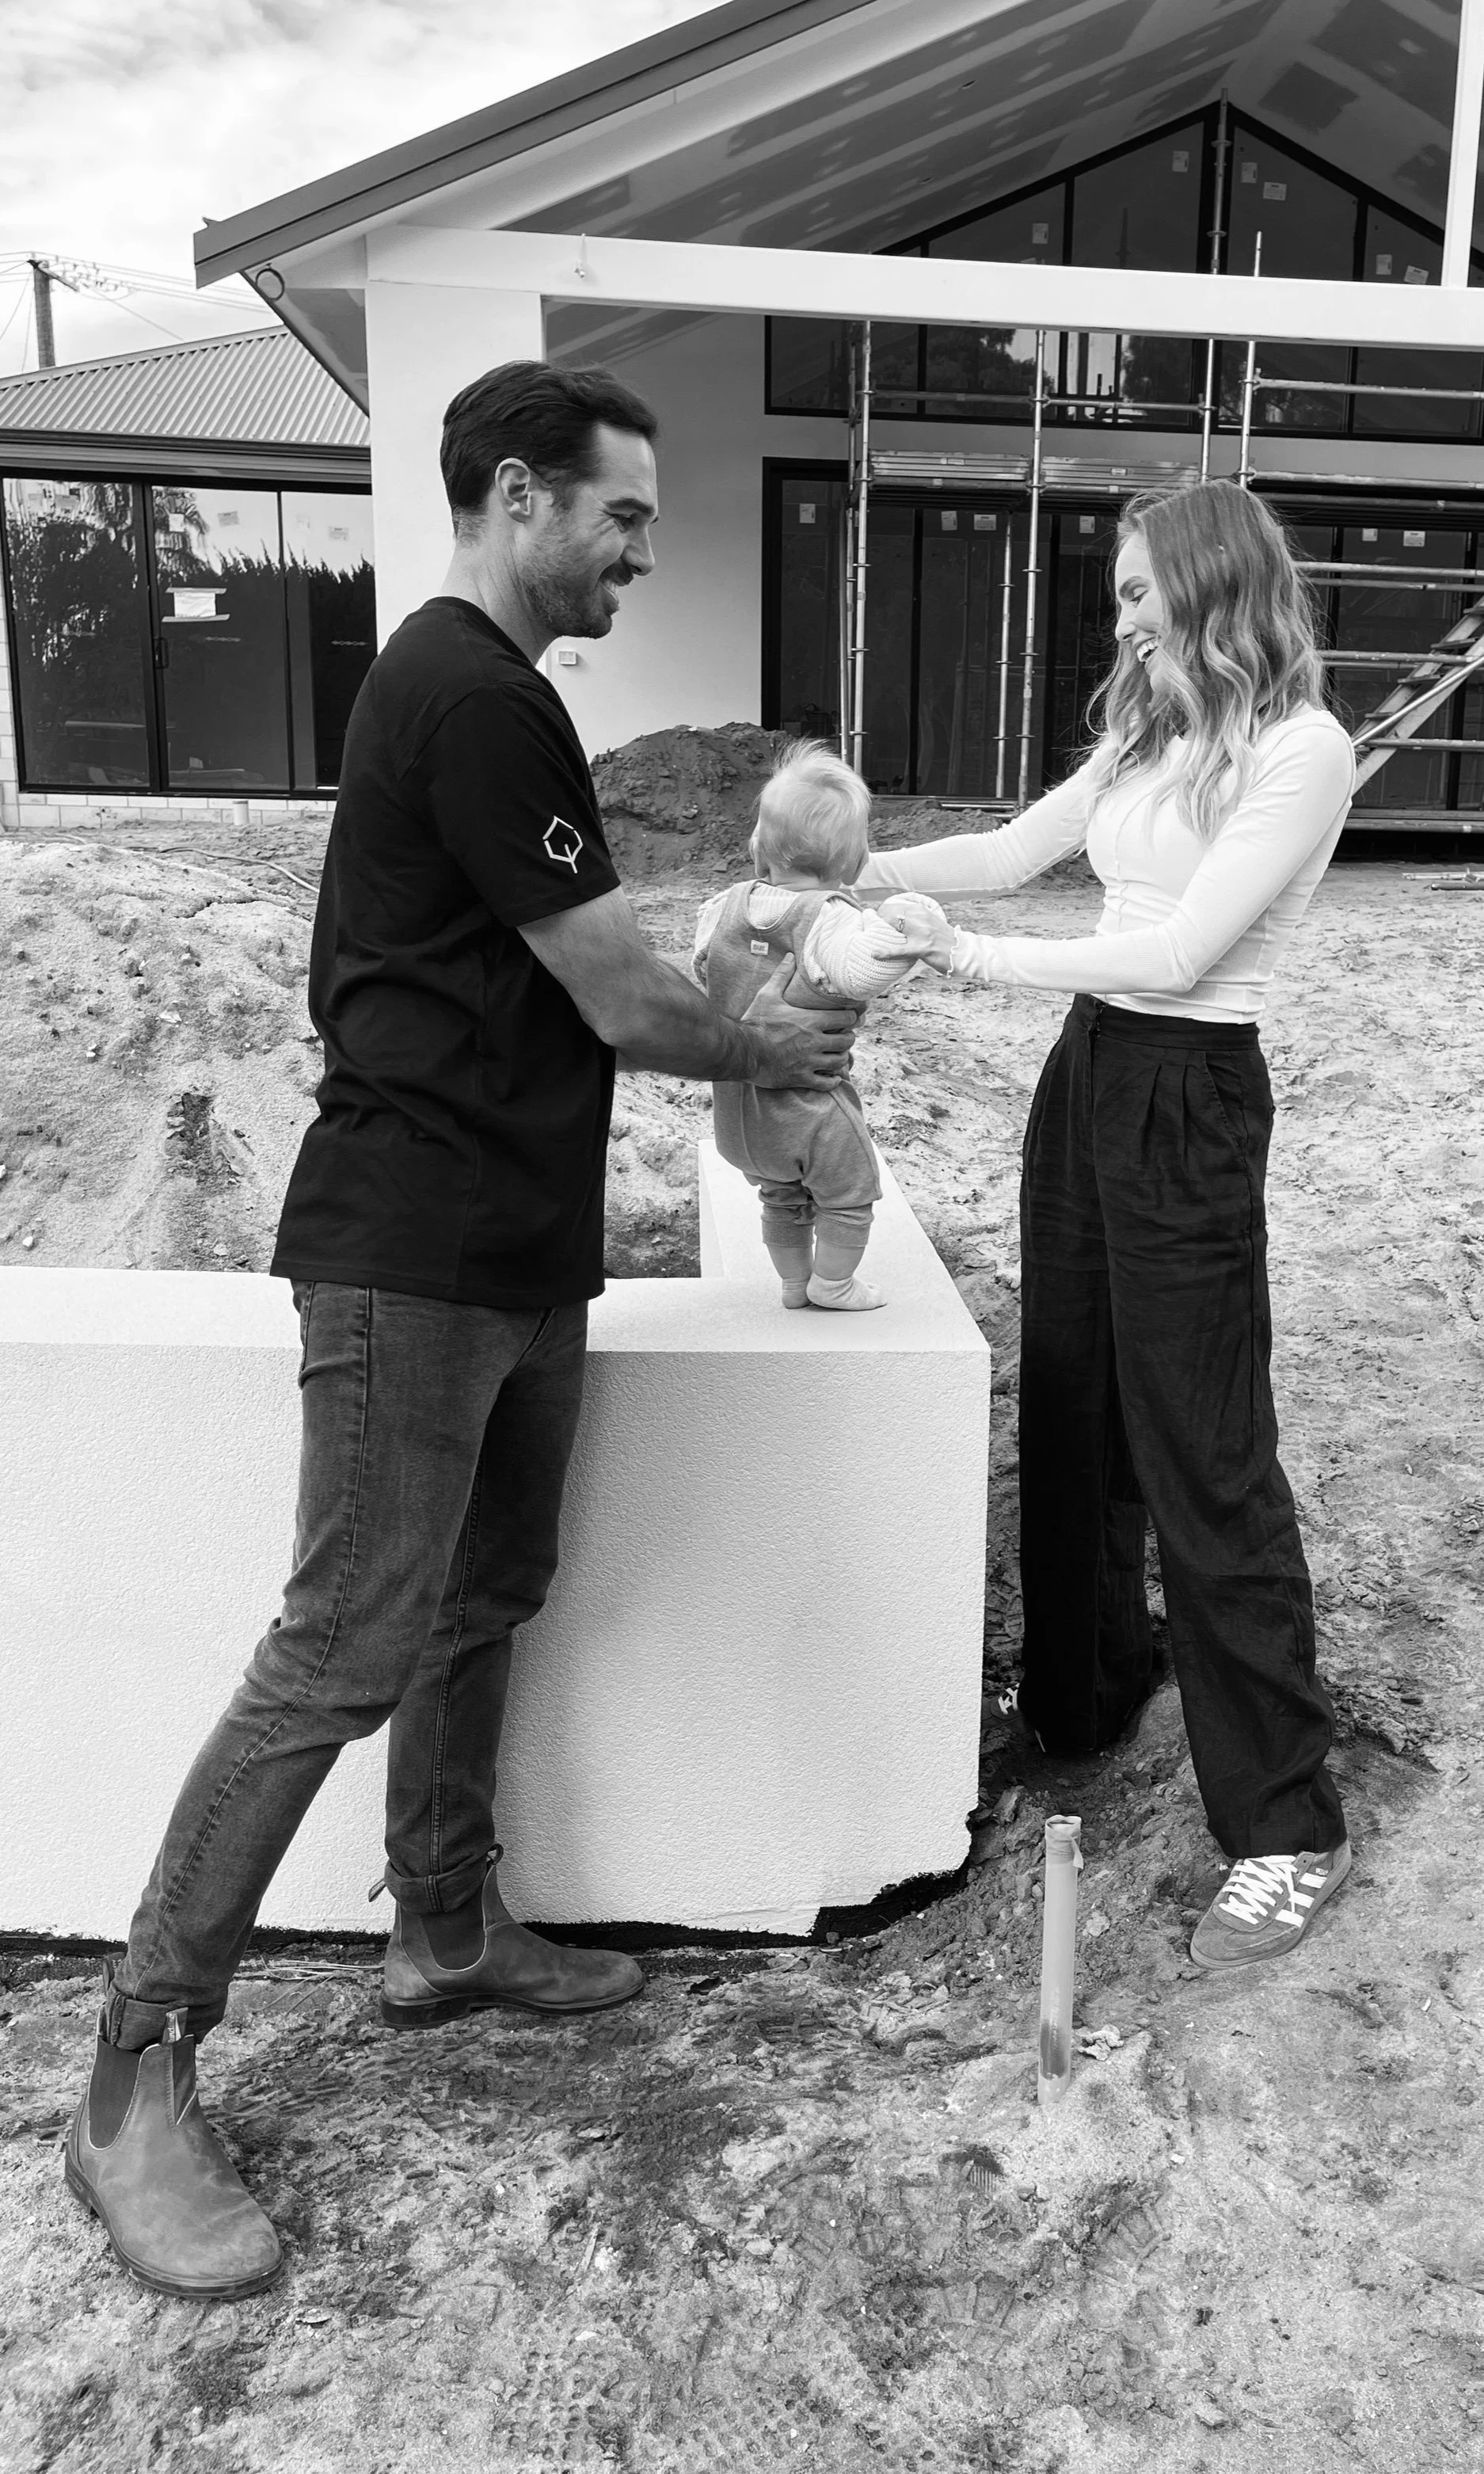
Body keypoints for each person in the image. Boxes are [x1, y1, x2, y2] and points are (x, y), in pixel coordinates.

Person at [65, 360, 858, 2304]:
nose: (636, 555)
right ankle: (128, 2073)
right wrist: (770, 1035)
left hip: (514, 1247)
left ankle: (440, 1928)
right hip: (409, 1251)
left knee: (488, 1583)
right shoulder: (467, 691)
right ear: (516, 499)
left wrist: (738, 959)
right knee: (341, 1635)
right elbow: (609, 989)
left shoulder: (495, 704)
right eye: (617, 518)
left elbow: (572, 951)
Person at [862, 480, 1356, 1977]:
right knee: (1070, 1392)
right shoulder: (1151, 722)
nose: (1119, 613)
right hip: (1087, 1076)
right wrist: (855, 869)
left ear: (1211, 589)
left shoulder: (1300, 748)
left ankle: (1285, 1822)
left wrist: (962, 962)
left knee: (1202, 1443)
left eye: (1140, 590)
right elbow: (1014, 848)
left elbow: (1180, 946)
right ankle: (1084, 1694)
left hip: (1189, 1084)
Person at [693, 740, 949, 1311]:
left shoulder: (722, 907)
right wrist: (905, 920)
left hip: (738, 1111)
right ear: (855, 865)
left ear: (759, 850)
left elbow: (701, 967)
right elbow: (861, 973)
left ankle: (792, 1283)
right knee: (850, 1193)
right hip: (809, 1105)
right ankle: (833, 1283)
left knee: (780, 1196)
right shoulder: (832, 919)